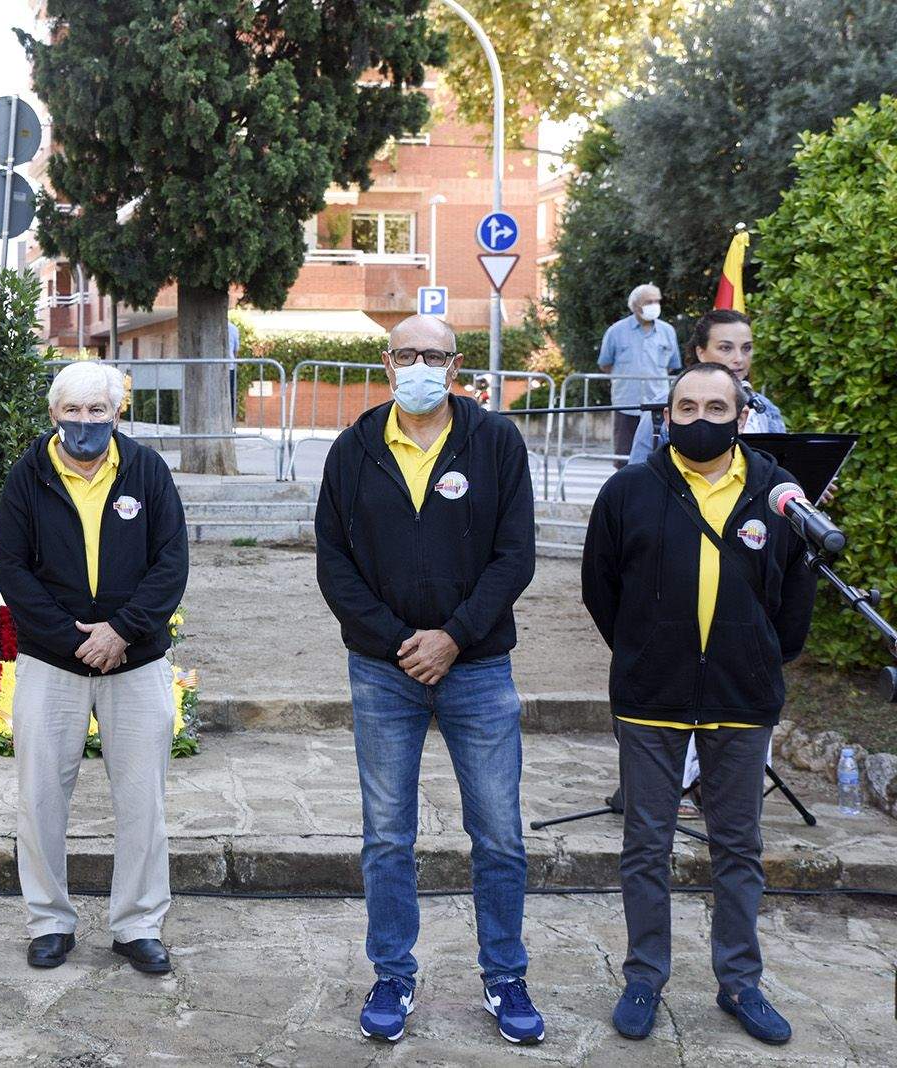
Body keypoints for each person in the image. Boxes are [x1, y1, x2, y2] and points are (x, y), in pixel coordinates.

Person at [315, 314, 543, 1046]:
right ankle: (393, 974)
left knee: (501, 835)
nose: (419, 364)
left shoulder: (495, 441)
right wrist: (396, 642)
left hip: (477, 668)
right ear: (386, 362)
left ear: (456, 364)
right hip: (383, 674)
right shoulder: (353, 449)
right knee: (387, 836)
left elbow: (516, 556)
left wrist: (455, 636)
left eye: (433, 355)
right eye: (406, 353)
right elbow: (333, 561)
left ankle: (506, 977)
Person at [581, 362, 816, 1046]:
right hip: (651, 694)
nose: (701, 418)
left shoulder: (779, 495)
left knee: (739, 847)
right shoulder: (628, 491)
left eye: (717, 406)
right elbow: (603, 590)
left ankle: (740, 980)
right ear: (666, 416)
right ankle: (644, 976)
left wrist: (757, 654)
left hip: (742, 696)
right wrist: (647, 649)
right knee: (645, 844)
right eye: (687, 406)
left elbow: (796, 601)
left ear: (743, 417)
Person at [0, 360, 189, 975]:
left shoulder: (147, 471)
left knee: (142, 800)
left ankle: (137, 925)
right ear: (54, 413)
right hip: (54, 662)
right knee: (42, 796)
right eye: (72, 412)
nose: (84, 423)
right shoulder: (27, 477)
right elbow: (13, 572)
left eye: (96, 411)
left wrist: (121, 631)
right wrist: (72, 639)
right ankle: (49, 920)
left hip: (137, 660)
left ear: (116, 412)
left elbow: (171, 564)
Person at [628, 309, 786, 464]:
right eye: (726, 348)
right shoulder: (662, 407)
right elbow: (637, 477)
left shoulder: (765, 409)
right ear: (701, 352)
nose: (739, 358)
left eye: (746, 348)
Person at [599, 284, 681, 467]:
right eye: (649, 302)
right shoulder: (616, 331)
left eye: (657, 301)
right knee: (624, 458)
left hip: (658, 404)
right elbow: (605, 364)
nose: (654, 305)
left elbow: (672, 366)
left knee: (660, 456)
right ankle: (623, 493)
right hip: (627, 403)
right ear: (636, 305)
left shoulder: (667, 331)